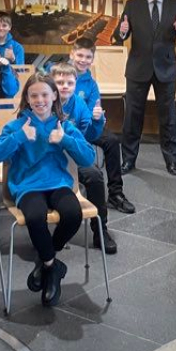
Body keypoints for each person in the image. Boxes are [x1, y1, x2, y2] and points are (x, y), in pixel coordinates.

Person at [0, 73, 95, 306]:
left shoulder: (64, 125)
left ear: (54, 96)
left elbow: (88, 158)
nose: (40, 100)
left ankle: (46, 261)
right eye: (33, 95)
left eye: (45, 94)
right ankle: (52, 266)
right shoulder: (17, 126)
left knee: (73, 214)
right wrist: (18, 137)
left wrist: (65, 139)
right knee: (35, 217)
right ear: (26, 98)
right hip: (28, 187)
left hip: (58, 184)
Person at [113, 0, 176, 176]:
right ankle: (128, 160)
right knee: (132, 117)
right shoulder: (132, 5)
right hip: (138, 67)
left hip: (166, 69)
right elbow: (118, 36)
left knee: (168, 118)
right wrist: (121, 32)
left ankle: (172, 161)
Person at [50, 63, 116, 253]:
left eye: (69, 83)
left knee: (95, 176)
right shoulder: (46, 100)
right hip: (50, 159)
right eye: (60, 82)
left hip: (74, 157)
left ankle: (100, 229)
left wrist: (97, 121)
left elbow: (90, 136)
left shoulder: (78, 104)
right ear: (52, 83)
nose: (64, 86)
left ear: (75, 85)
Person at [69, 36, 135, 216]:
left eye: (88, 57)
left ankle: (115, 193)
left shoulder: (91, 85)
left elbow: (90, 114)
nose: (83, 60)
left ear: (92, 59)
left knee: (112, 141)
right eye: (80, 55)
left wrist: (96, 118)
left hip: (84, 128)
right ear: (72, 54)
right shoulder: (59, 74)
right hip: (63, 128)